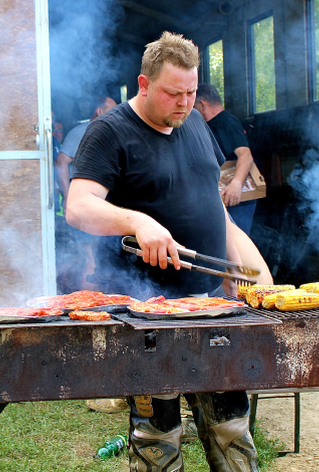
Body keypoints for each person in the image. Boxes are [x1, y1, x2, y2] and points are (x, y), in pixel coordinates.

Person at [66, 31, 259, 472]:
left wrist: (249, 269)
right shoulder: (109, 132)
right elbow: (78, 207)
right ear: (144, 84)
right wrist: (137, 220)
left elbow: (215, 209)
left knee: (231, 420)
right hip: (147, 308)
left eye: (192, 92)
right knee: (160, 432)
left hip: (209, 303)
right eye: (174, 93)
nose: (186, 103)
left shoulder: (192, 121)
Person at [53, 97, 117, 293]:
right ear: (99, 112)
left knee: (104, 260)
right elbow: (60, 162)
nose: (118, 114)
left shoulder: (113, 132)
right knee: (91, 260)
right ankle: (86, 309)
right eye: (113, 110)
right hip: (86, 206)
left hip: (107, 208)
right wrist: (67, 196)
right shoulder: (81, 132)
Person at [194, 83, 258, 235]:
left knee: (237, 243)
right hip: (222, 198)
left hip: (238, 199)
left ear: (202, 104)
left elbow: (245, 154)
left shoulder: (226, 122)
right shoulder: (209, 126)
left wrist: (236, 183)